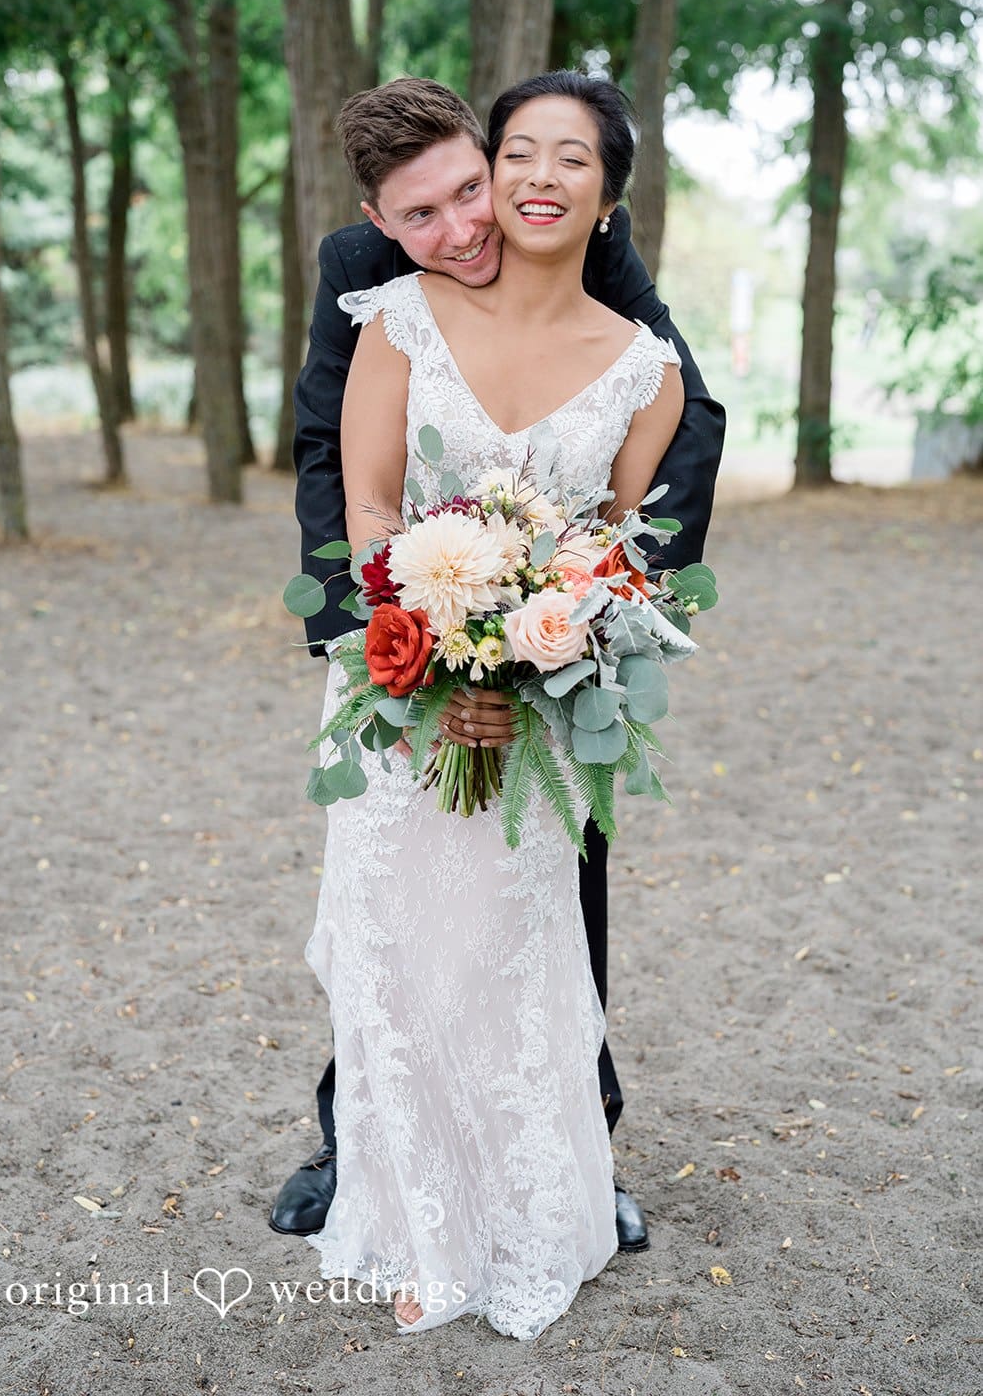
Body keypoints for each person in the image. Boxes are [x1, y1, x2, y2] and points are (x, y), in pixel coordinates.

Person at [273, 75, 724, 1266]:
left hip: (557, 649)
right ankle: (354, 1144)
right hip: (405, 627)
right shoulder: (375, 288)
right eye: (424, 216)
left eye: (476, 185)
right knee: (393, 920)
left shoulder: (574, 236)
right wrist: (391, 638)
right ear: (381, 221)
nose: (468, 224)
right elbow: (337, 454)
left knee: (550, 907)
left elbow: (685, 421)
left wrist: (593, 622)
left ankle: (577, 1141)